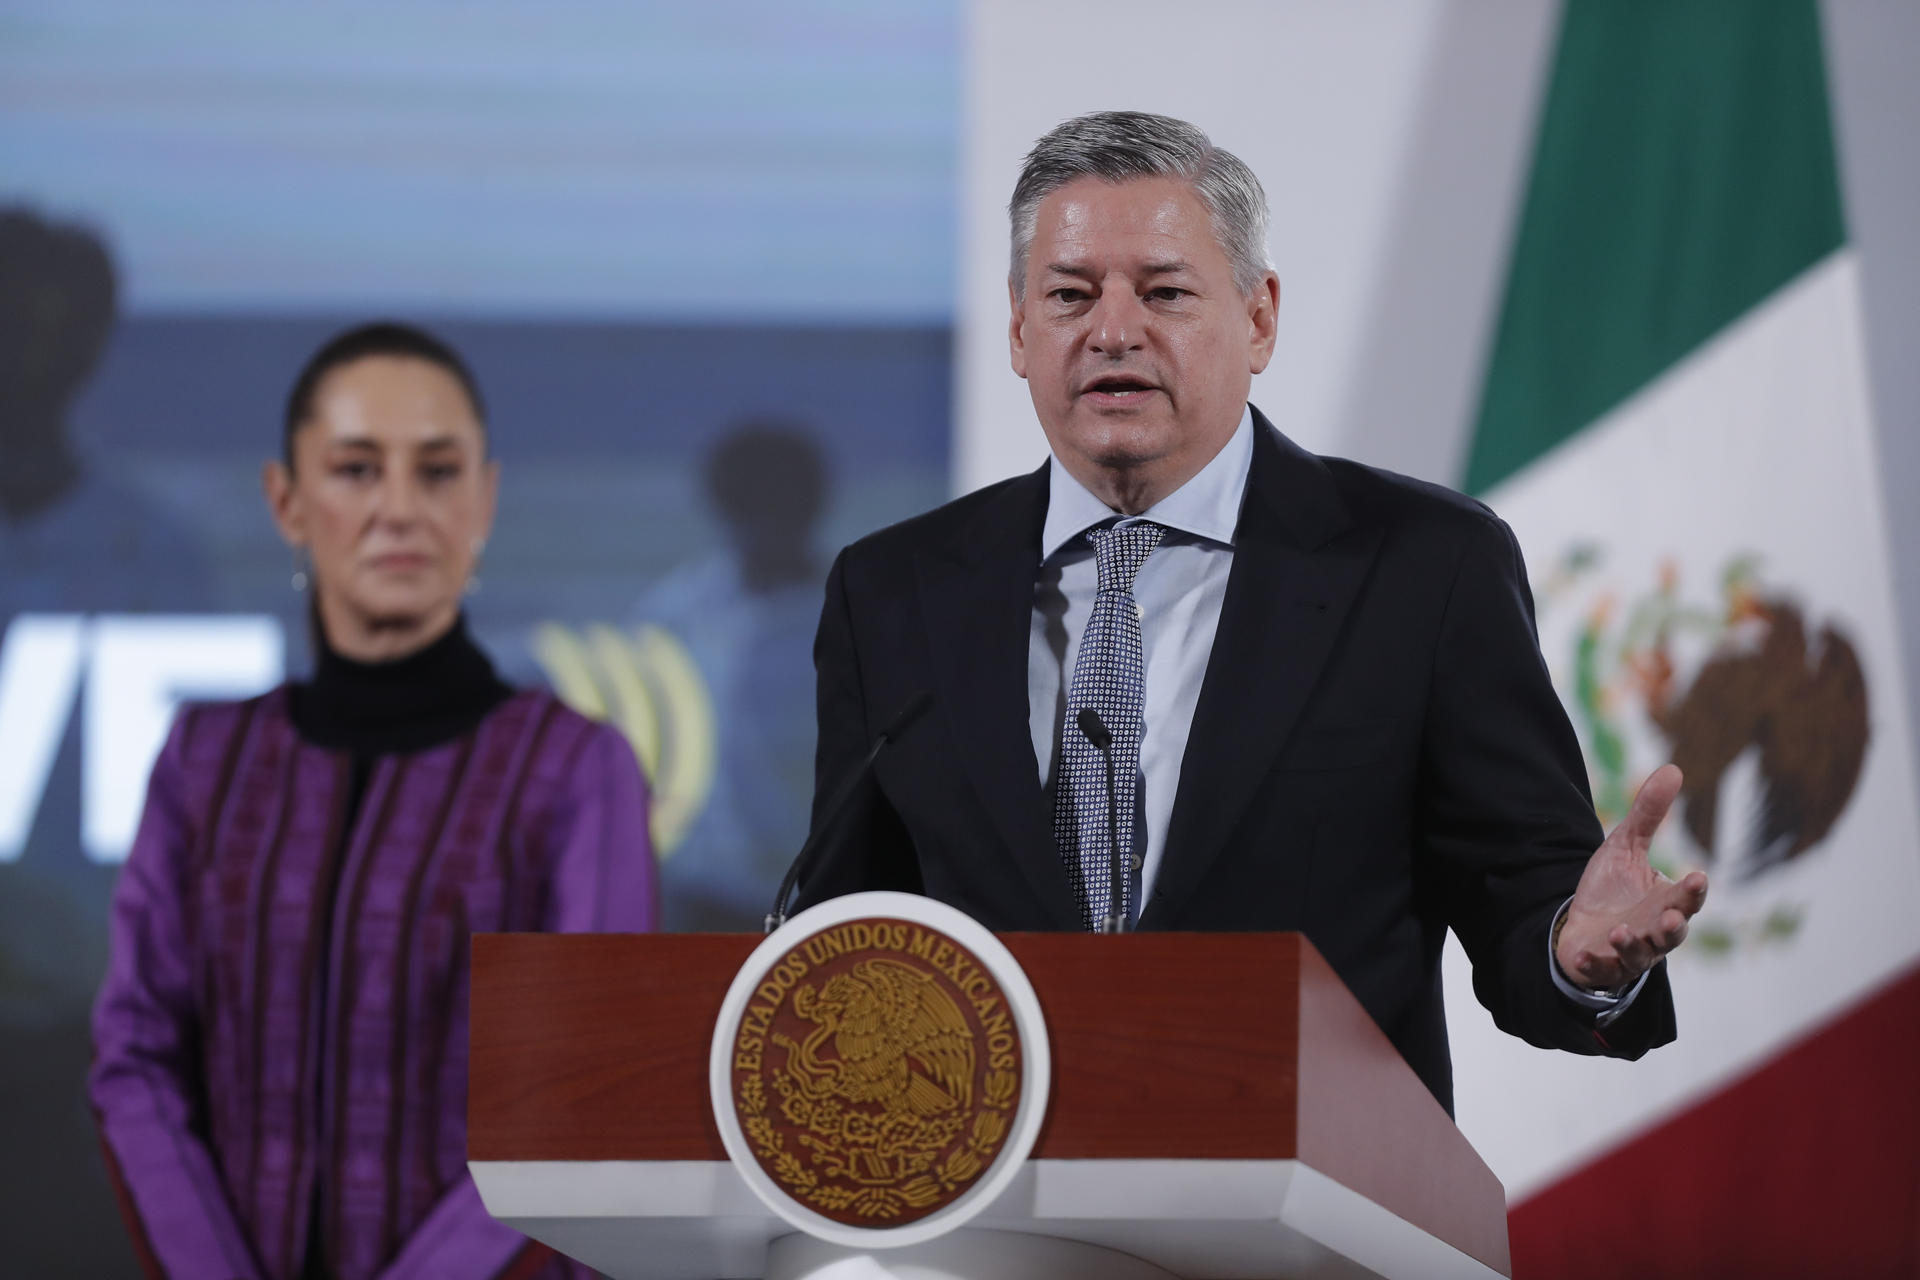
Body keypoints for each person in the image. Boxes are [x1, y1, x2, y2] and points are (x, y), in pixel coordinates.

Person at [795, 111, 1709, 1114]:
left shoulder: (1420, 567)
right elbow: (844, 936)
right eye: (1068, 295)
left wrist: (1577, 952)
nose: (1111, 330)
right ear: (1020, 328)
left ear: (1259, 317)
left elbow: (1519, 894)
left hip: (1311, 1222)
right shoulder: (896, 590)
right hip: (997, 1227)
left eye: (1163, 292)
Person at [89, 322, 658, 1279]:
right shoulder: (203, 760)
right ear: (286, 499)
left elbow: (583, 1099)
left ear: (485, 499)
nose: (400, 509)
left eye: (438, 473)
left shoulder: (574, 769)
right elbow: (138, 1057)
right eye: (357, 469)